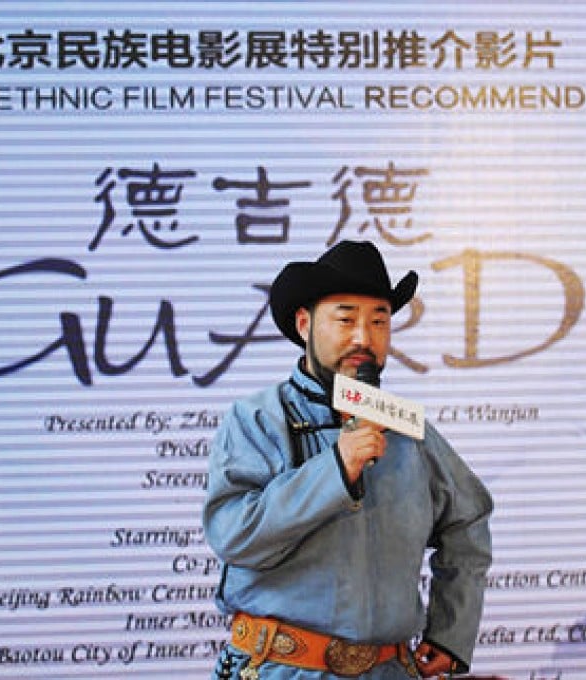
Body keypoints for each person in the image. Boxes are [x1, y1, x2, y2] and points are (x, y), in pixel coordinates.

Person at [203, 240, 494, 679]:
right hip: (280, 668)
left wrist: (450, 630)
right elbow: (233, 534)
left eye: (379, 321)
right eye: (346, 319)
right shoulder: (257, 419)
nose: (364, 337)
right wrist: (335, 469)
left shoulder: (406, 430)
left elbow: (468, 522)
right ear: (304, 324)